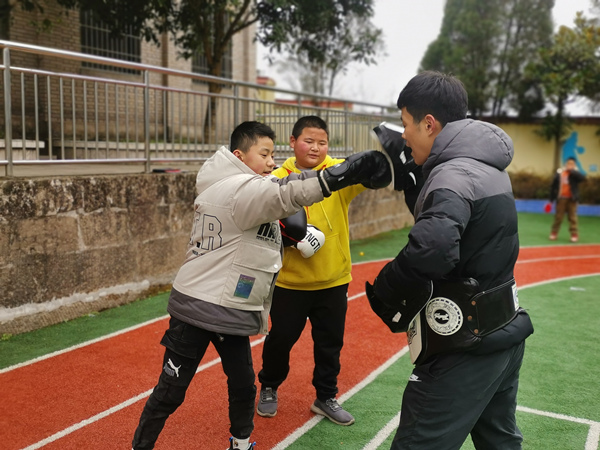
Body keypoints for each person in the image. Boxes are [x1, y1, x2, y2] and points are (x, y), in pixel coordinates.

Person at [131, 121, 391, 450]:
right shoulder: (237, 190)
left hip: (231, 310)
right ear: (239, 156)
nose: (272, 163)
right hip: (198, 308)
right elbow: (284, 193)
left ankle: (240, 445)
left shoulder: (246, 187)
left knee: (243, 387)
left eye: (273, 154)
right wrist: (330, 179)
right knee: (171, 391)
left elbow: (279, 194)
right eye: (265, 154)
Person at [365, 71, 534, 450]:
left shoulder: (453, 175)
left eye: (407, 124)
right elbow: (465, 235)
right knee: (500, 443)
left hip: (463, 347)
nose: (403, 134)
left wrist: (385, 293)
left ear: (429, 123)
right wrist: (416, 182)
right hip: (502, 333)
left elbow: (433, 250)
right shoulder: (486, 166)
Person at [257, 115, 377, 426]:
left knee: (330, 344)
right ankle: (269, 386)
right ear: (293, 142)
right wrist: (289, 237)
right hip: (290, 283)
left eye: (322, 142)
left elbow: (366, 173)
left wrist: (376, 163)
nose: (315, 147)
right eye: (308, 141)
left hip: (333, 280)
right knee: (280, 340)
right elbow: (263, 221)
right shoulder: (278, 177)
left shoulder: (336, 173)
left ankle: (325, 396)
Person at [548, 157, 586, 242]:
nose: (570, 165)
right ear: (566, 164)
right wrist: (551, 199)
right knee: (558, 217)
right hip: (561, 198)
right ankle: (554, 233)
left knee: (572, 217)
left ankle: (574, 234)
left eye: (572, 164)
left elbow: (582, 179)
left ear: (574, 165)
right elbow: (553, 186)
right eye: (569, 163)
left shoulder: (575, 174)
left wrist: (572, 171)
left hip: (572, 199)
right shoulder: (560, 173)